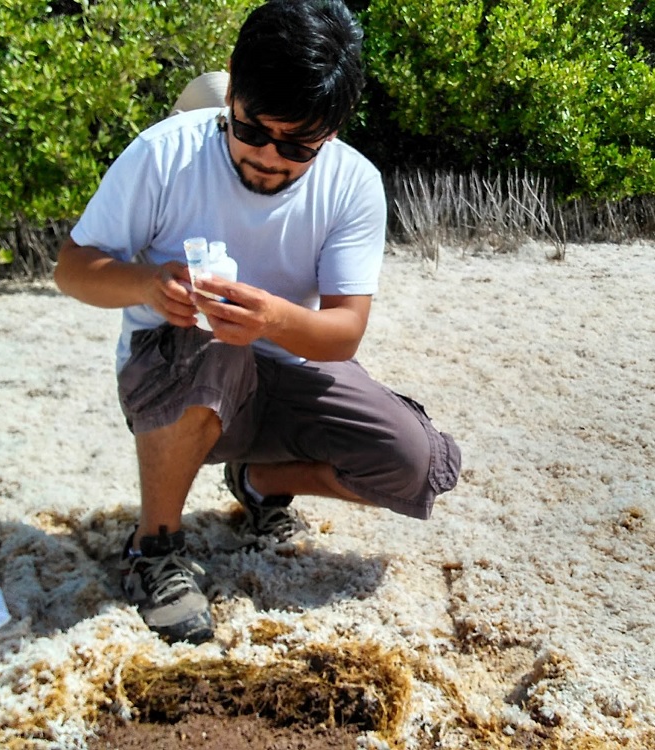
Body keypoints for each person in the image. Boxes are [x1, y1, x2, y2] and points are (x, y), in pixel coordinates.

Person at [53, 0, 461, 644]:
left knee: (412, 462)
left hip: (286, 372)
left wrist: (269, 317)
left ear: (333, 129)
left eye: (299, 145)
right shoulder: (165, 155)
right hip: (174, 378)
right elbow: (73, 268)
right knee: (217, 347)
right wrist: (148, 286)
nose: (271, 157)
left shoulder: (354, 184)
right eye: (252, 131)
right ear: (232, 90)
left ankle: (258, 481)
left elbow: (343, 334)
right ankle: (154, 547)